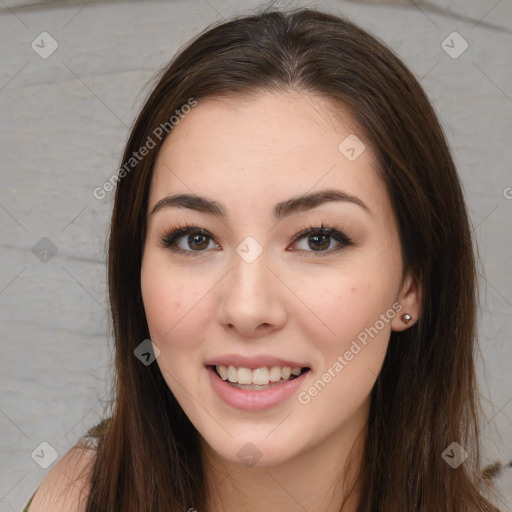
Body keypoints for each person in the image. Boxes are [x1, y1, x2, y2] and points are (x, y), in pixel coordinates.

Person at [25, 6, 505, 511]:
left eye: (318, 239)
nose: (247, 308)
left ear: (412, 281)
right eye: (194, 239)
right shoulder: (77, 497)